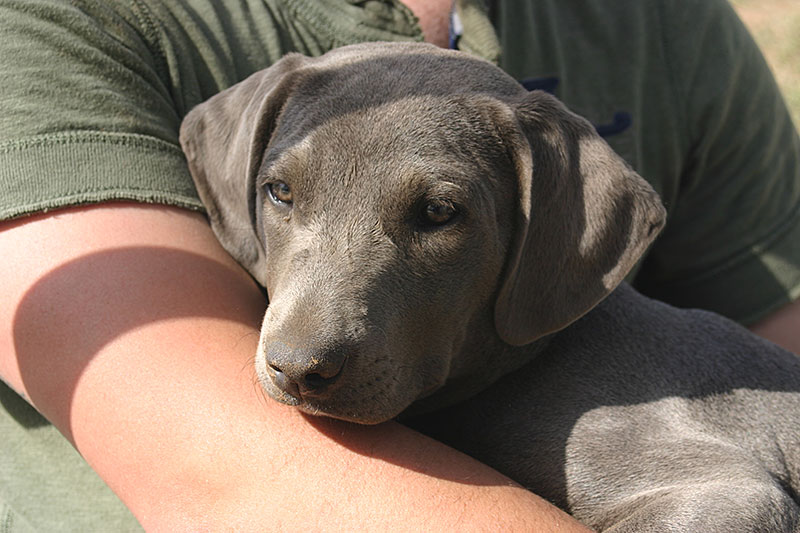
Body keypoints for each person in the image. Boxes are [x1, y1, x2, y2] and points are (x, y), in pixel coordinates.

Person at [1, 0, 798, 529]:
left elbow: (735, 506)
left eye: (438, 215)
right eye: (283, 192)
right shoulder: (63, 23)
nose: (303, 345)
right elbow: (212, 473)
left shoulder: (577, 409)